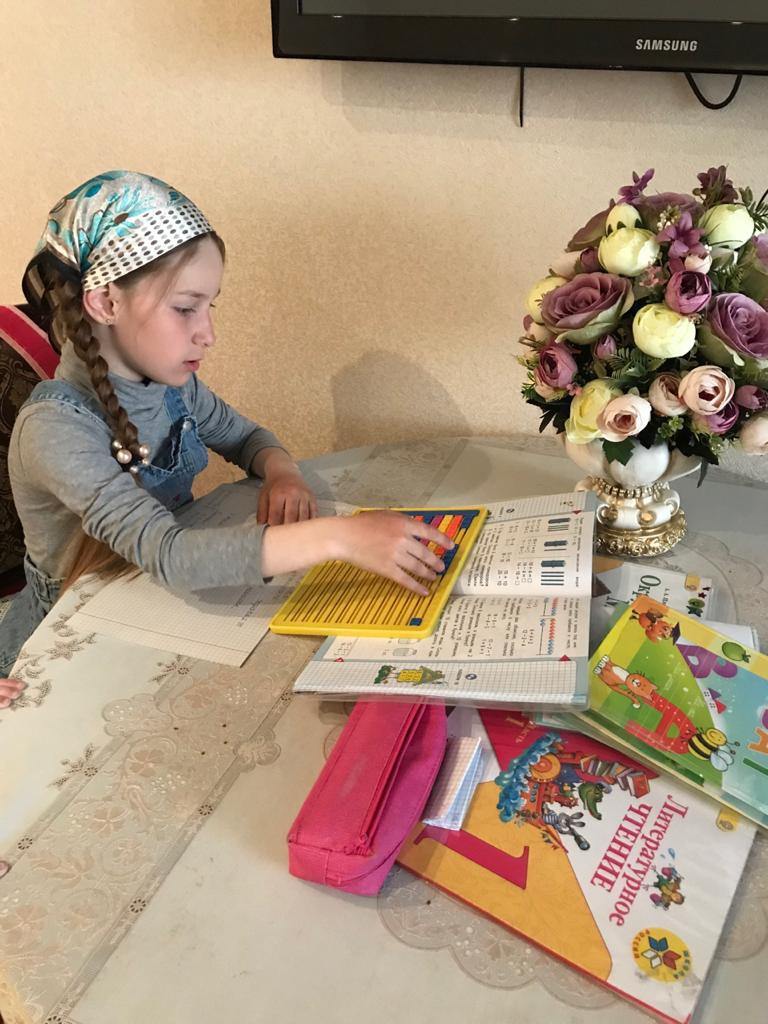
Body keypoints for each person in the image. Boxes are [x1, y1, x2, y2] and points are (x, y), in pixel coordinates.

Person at [0, 171, 452, 682]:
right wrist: (340, 538)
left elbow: (247, 438)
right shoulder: (55, 429)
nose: (208, 333)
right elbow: (170, 554)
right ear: (105, 303)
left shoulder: (174, 388)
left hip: (149, 607)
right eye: (185, 308)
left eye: (208, 306)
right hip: (58, 647)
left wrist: (282, 472)